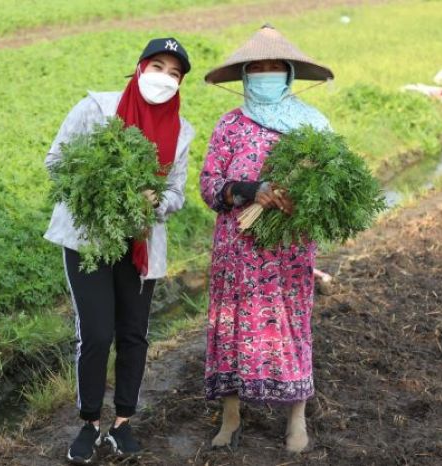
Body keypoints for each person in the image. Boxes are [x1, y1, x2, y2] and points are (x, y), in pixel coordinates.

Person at [43, 38, 194, 464]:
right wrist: (105, 183)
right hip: (89, 238)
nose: (164, 78)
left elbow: (178, 192)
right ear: (140, 67)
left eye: (174, 73)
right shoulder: (97, 108)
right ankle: (90, 421)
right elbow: (56, 160)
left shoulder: (181, 131)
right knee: (95, 333)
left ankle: (123, 422)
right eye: (158, 66)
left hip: (140, 244)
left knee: (133, 336)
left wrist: (156, 199)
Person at [200, 24, 333, 453]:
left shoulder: (313, 127)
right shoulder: (229, 125)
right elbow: (208, 186)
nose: (266, 73)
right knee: (232, 326)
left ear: (290, 74)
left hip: (288, 252)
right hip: (235, 251)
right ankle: (231, 416)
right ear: (244, 75)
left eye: (275, 67)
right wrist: (249, 190)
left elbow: (331, 190)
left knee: (291, 326)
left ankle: (297, 421)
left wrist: (300, 200)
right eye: (257, 67)